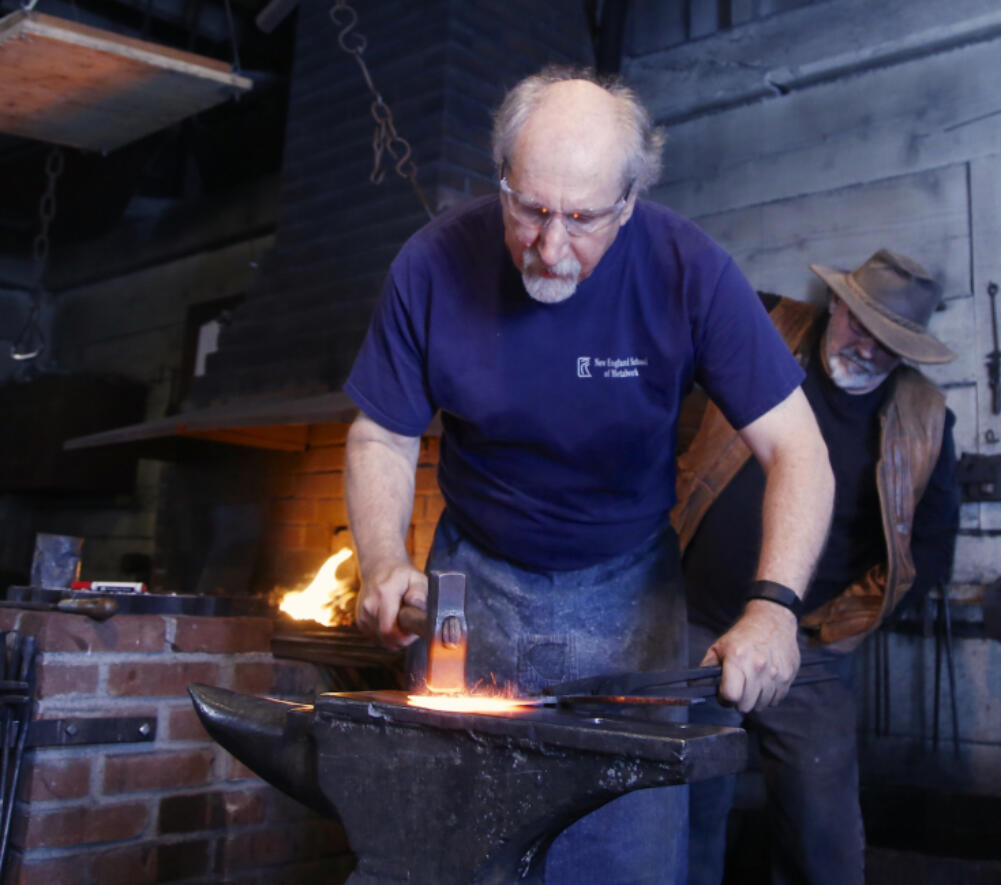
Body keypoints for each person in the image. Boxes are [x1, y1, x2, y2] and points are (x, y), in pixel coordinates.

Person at [342, 65, 834, 884]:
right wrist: (384, 560)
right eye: (529, 209)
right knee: (450, 847)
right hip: (472, 589)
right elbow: (382, 435)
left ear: (630, 201)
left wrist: (774, 605)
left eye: (582, 219)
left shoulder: (690, 269)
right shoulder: (432, 263)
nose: (550, 246)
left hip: (630, 602)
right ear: (501, 179)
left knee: (622, 856)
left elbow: (798, 449)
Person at [680, 249, 961, 885]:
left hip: (808, 648)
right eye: (860, 325)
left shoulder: (926, 419)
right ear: (836, 304)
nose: (865, 348)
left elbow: (933, 546)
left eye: (888, 344)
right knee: (686, 812)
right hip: (696, 625)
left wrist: (841, 625)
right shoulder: (764, 330)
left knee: (822, 833)